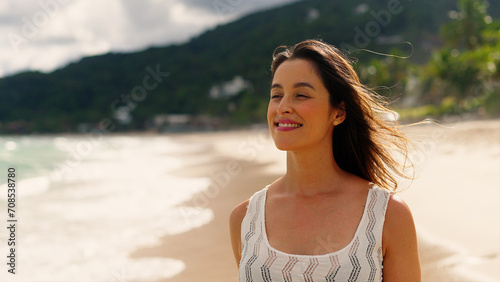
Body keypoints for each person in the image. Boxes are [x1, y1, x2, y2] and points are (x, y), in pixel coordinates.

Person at [229, 39, 421, 281]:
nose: (283, 107)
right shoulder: (245, 218)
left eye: (301, 95)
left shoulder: (387, 214)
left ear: (338, 112)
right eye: (276, 95)